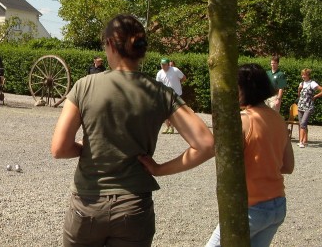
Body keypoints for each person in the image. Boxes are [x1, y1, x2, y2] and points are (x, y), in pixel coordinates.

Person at [51, 14, 214, 247]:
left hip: (88, 203)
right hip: (134, 206)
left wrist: (86, 148)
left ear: (109, 44)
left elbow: (59, 148)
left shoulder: (84, 86)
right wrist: (159, 169)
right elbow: (206, 144)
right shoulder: (159, 92)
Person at [205, 63, 294, 247]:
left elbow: (206, 150)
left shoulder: (243, 120)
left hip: (252, 209)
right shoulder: (278, 119)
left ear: (244, 88)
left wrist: (160, 168)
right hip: (278, 205)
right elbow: (288, 166)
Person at [156, 58, 187, 133]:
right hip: (165, 94)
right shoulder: (159, 73)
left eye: (164, 64)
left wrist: (178, 83)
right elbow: (158, 84)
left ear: (168, 64)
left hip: (176, 94)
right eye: (162, 64)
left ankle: (172, 127)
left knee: (173, 112)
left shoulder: (175, 70)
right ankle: (167, 126)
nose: (163, 66)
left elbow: (184, 78)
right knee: (165, 112)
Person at [296, 68, 322, 148]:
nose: (303, 76)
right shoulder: (302, 83)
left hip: (308, 106)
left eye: (304, 74)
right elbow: (299, 92)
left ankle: (301, 142)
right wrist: (299, 91)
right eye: (302, 74)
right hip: (300, 105)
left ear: (308, 75)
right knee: (301, 124)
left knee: (303, 123)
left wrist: (315, 96)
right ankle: (305, 140)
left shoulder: (312, 83)